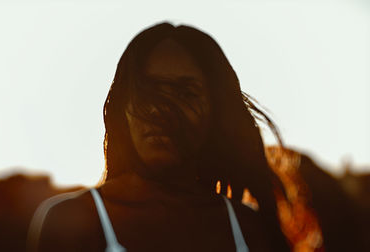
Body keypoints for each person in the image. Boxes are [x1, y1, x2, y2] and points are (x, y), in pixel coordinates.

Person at [27, 22, 290, 252]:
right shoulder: (72, 222)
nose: (160, 110)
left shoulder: (249, 229)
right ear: (123, 109)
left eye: (185, 93)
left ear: (216, 111)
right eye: (147, 91)